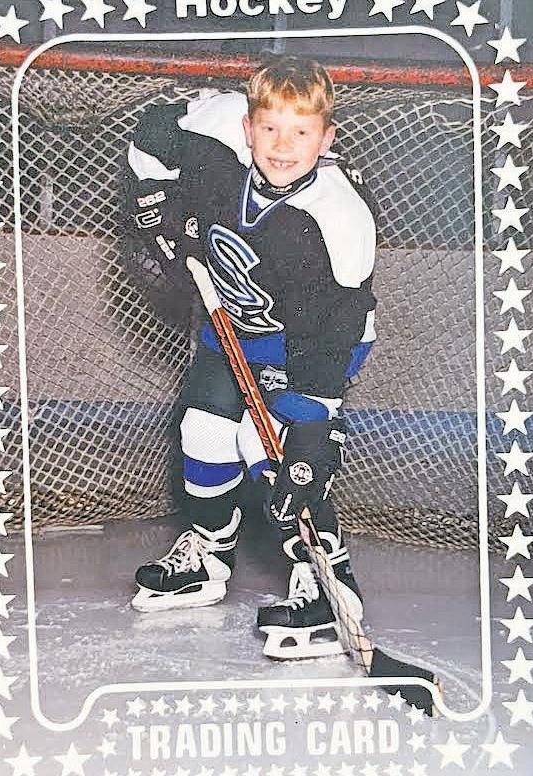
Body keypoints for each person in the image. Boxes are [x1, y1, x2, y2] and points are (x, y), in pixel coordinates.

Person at [124, 56, 377, 660]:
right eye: (269, 129)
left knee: (275, 453)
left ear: (327, 137)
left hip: (310, 344)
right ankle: (208, 555)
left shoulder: (338, 218)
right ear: (247, 125)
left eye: (301, 132)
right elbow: (151, 135)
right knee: (203, 432)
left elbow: (332, 335)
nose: (282, 146)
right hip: (230, 323)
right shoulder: (216, 128)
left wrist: (312, 425)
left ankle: (325, 578)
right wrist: (154, 206)